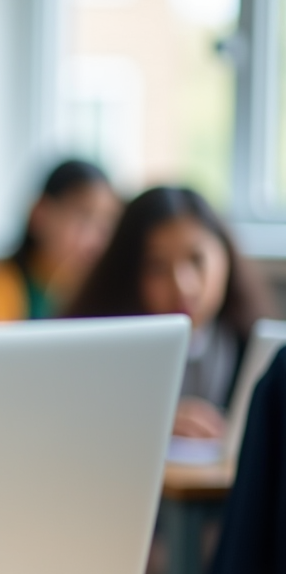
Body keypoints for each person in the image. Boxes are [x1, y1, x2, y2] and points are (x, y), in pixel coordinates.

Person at [67, 186, 272, 438]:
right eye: (157, 267)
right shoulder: (94, 356)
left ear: (225, 256)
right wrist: (149, 423)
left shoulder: (253, 348)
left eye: (197, 260)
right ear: (129, 275)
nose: (182, 286)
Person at [0, 158, 118, 321]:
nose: (95, 238)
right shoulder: (1, 283)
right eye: (83, 216)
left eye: (106, 221)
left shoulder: (102, 289)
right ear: (40, 213)